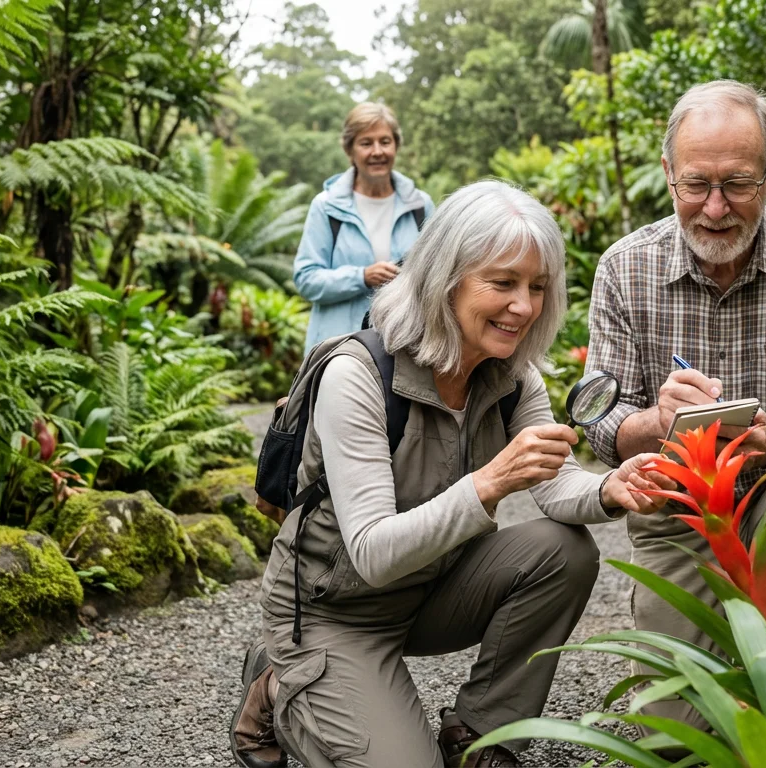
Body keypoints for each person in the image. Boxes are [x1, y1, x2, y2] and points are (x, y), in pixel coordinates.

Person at [230, 180, 675, 768]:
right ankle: (281, 677)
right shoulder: (358, 374)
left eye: (537, 286)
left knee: (562, 549)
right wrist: (489, 483)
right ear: (446, 279)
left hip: (431, 591)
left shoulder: (513, 376)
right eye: (503, 282)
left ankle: (480, 737)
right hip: (336, 609)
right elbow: (372, 553)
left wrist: (609, 487)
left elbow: (555, 483)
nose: (525, 306)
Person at [582, 80, 766, 730]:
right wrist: (655, 424)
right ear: (667, 175)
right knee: (674, 734)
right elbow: (598, 418)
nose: (715, 208)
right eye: (696, 185)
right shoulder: (624, 268)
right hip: (678, 510)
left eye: (738, 184)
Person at [293, 102, 435, 351]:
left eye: (385, 141)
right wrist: (362, 277)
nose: (377, 151)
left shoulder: (420, 205)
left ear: (396, 146)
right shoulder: (326, 207)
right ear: (350, 151)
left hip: (403, 349)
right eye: (366, 143)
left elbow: (437, 273)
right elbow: (306, 279)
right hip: (337, 350)